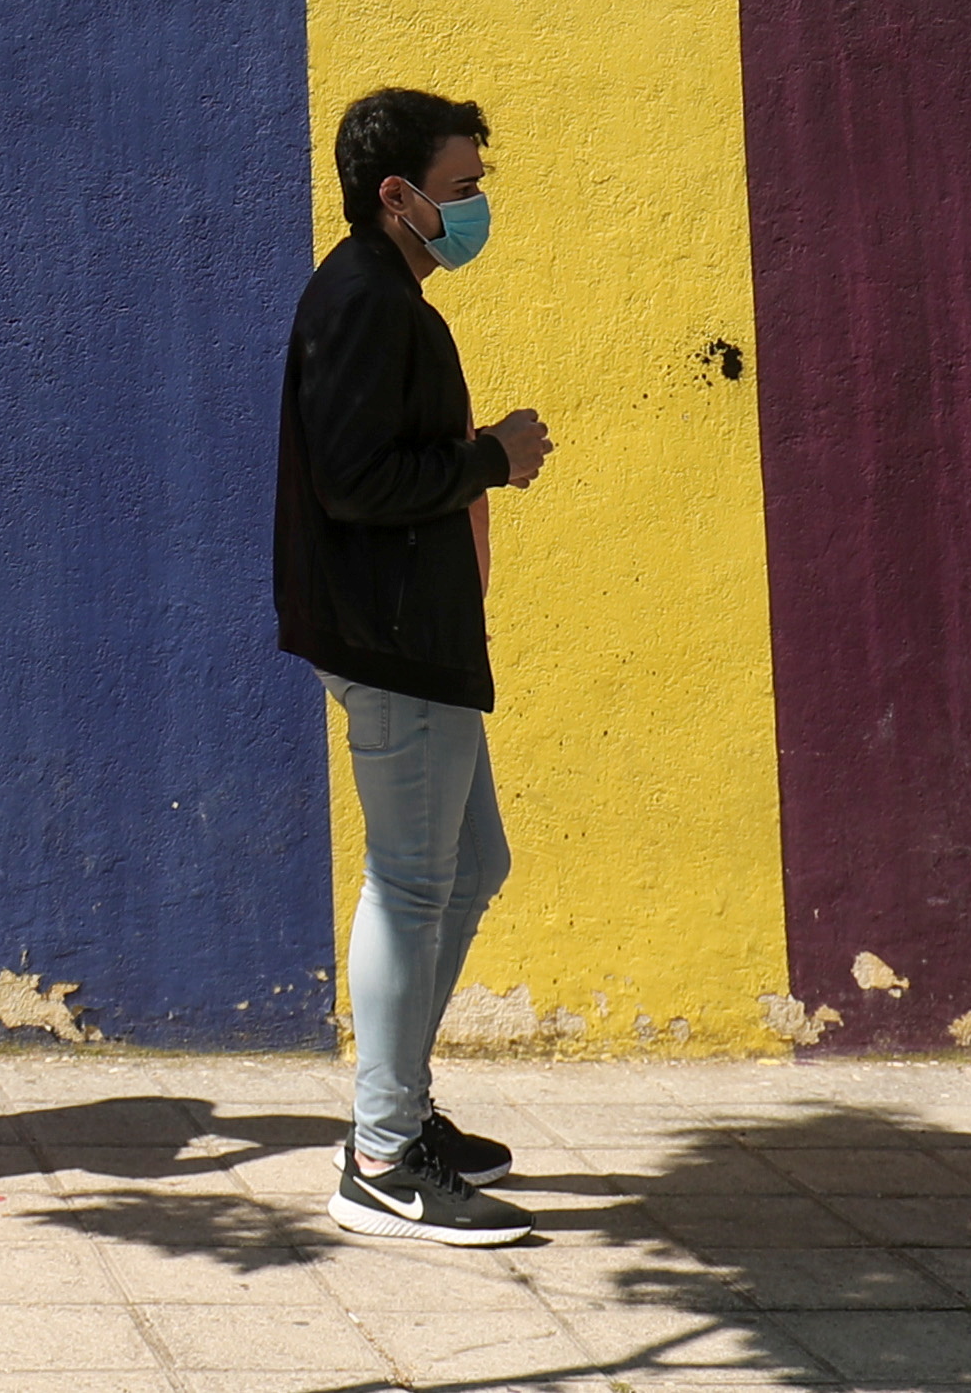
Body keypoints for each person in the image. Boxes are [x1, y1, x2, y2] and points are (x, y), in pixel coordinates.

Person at [277, 86, 550, 1249]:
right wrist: (490, 453)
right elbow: (352, 480)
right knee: (410, 880)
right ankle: (380, 1157)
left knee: (469, 859)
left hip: (415, 634)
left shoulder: (383, 296)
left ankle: (400, 1107)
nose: (475, 204)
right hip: (389, 636)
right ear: (396, 197)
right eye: (461, 187)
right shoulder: (364, 302)